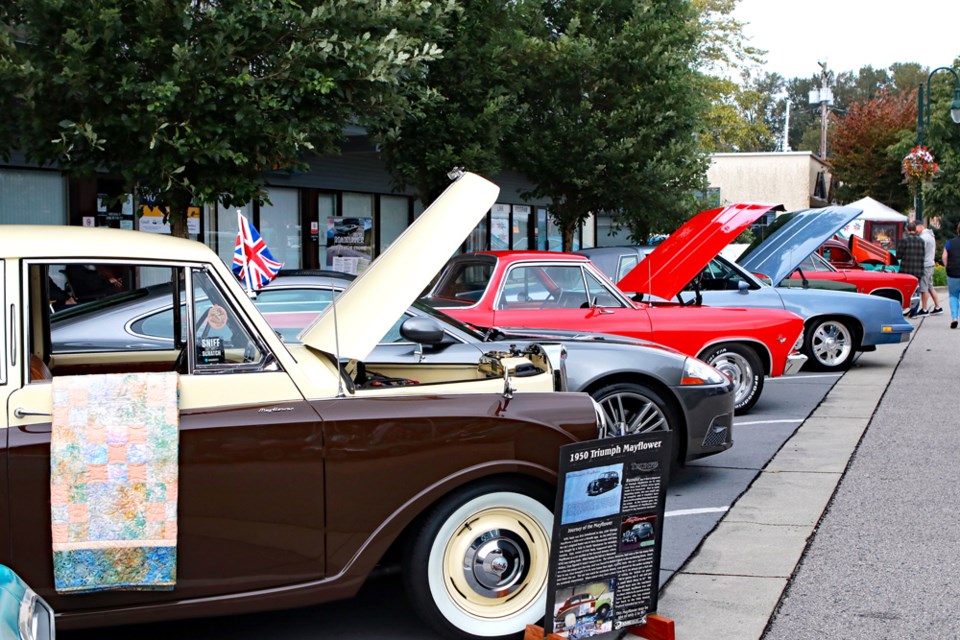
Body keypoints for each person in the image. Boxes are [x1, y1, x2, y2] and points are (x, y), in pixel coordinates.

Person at [897, 222, 926, 318]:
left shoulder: (904, 241)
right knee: (916, 290)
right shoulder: (921, 241)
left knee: (905, 289)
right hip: (918, 269)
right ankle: (914, 311)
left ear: (907, 230)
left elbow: (899, 255)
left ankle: (904, 308)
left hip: (906, 270)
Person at [917, 222, 943, 316]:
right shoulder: (930, 235)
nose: (915, 231)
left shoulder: (923, 237)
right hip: (930, 263)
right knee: (930, 286)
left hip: (925, 264)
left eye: (916, 228)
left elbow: (920, 251)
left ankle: (924, 309)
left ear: (920, 226)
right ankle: (938, 307)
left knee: (924, 288)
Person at [942, 222, 960, 329]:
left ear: (958, 230)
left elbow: (944, 257)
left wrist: (947, 267)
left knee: (953, 296)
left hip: (952, 273)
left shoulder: (949, 243)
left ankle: (954, 318)